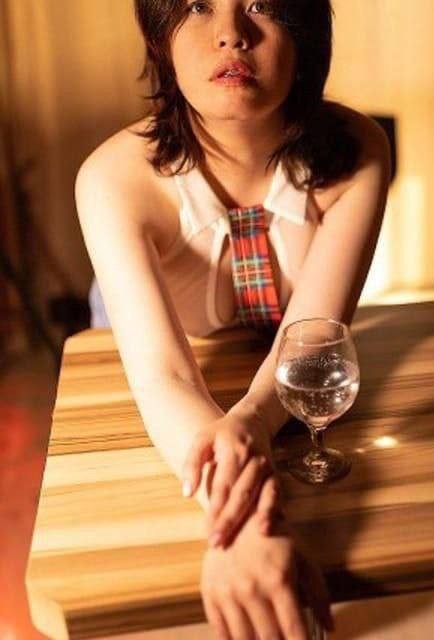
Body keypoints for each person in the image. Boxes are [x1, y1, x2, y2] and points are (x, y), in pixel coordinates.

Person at [75, 0, 391, 637]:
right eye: (198, 5)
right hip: (162, 351)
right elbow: (165, 378)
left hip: (282, 347)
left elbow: (309, 346)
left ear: (305, 33)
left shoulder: (360, 149)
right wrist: (244, 528)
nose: (230, 35)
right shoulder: (110, 178)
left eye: (261, 5)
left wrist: (249, 422)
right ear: (160, 38)